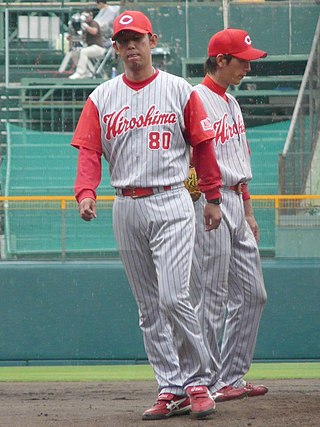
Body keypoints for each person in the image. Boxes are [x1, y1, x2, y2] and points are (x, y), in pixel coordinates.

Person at [71, 10, 224, 421]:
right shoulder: (101, 96)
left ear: (152, 40)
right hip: (126, 204)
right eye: (123, 40)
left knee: (174, 296)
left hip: (172, 199)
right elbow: (89, 151)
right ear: (116, 48)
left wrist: (212, 196)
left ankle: (197, 380)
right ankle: (170, 386)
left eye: (137, 37)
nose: (131, 46)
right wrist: (86, 191)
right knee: (148, 308)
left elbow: (204, 147)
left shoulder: (180, 90)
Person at [190, 28, 269, 402]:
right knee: (212, 296)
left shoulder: (233, 103)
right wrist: (207, 197)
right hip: (211, 201)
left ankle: (230, 378)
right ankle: (203, 381)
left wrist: (249, 209)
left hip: (237, 199)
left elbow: (240, 160)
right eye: (242, 62)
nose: (247, 70)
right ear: (221, 60)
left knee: (253, 294)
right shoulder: (194, 98)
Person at [69, 10, 106, 79]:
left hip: (98, 47)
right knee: (75, 53)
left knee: (84, 51)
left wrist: (85, 26)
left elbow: (94, 31)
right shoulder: (83, 24)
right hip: (89, 47)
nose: (85, 18)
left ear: (91, 16)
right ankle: (86, 73)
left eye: (87, 16)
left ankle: (79, 72)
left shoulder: (93, 23)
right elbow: (78, 37)